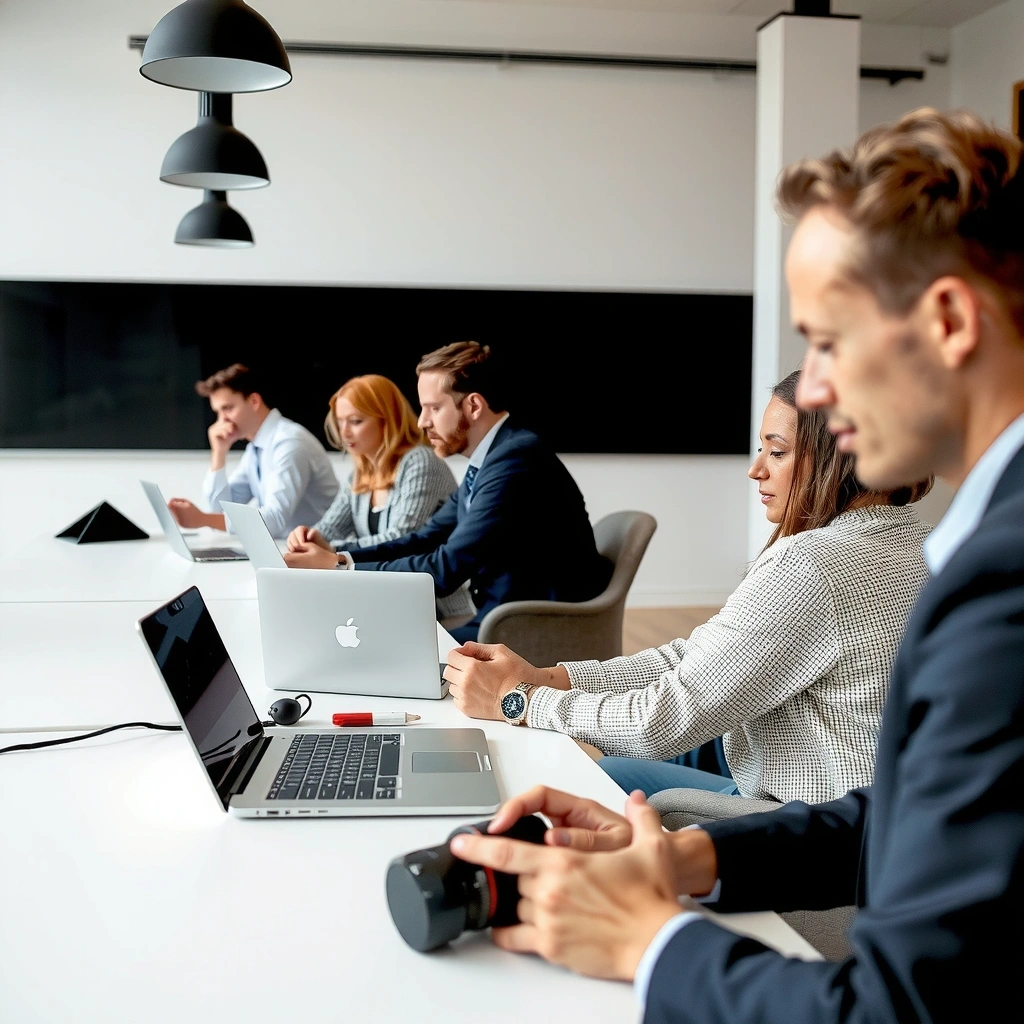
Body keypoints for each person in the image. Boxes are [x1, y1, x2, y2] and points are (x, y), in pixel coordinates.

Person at [447, 107, 1024, 1021]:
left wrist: (650, 944)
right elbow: (904, 814)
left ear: (948, 320)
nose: (820, 392)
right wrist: (697, 859)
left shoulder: (1000, 578)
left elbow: (902, 1008)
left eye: (828, 343)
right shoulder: (973, 541)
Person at [445, 369, 931, 804]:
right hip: (884, 811)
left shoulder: (810, 566)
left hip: (808, 821)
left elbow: (658, 724)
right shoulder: (920, 540)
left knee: (587, 781)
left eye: (777, 452)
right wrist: (546, 677)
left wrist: (517, 702)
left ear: (838, 458)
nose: (756, 469)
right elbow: (697, 657)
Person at [286, 341, 612, 642]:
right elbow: (426, 538)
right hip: (503, 615)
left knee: (380, 652)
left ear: (472, 405)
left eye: (433, 408)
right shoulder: (488, 460)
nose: (422, 423)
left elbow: (446, 569)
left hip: (532, 626)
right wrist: (342, 556)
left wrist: (340, 567)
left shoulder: (515, 458)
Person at [283, 373, 472, 621]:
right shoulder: (359, 474)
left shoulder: (421, 462)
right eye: (340, 422)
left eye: (356, 421)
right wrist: (309, 537)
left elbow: (403, 538)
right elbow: (328, 529)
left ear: (387, 420)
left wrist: (333, 554)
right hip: (386, 601)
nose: (344, 432)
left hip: (436, 610)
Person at [167, 363, 338, 538]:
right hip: (288, 549)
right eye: (218, 412)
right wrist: (218, 454)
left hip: (323, 552)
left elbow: (275, 520)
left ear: (254, 401)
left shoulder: (289, 443)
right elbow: (221, 509)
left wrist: (203, 519)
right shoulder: (256, 448)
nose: (222, 420)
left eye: (228, 408)